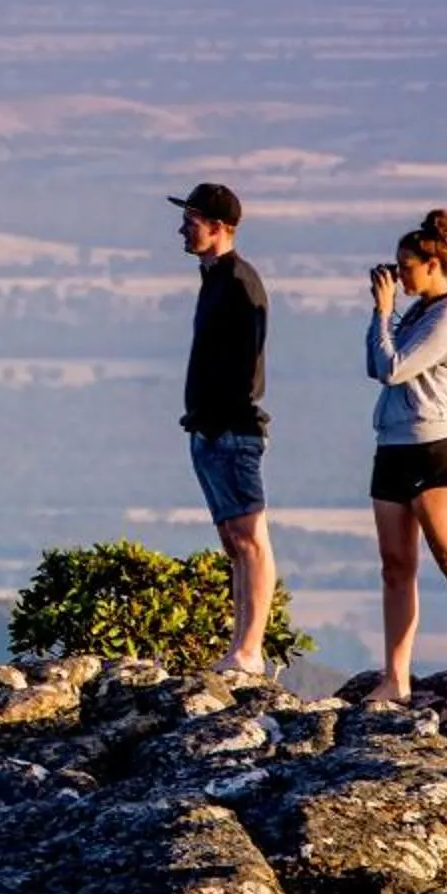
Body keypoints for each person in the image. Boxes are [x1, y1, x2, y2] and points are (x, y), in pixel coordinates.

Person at [365, 208, 447, 709]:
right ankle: (396, 678)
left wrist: (382, 311)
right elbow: (374, 365)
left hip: (432, 448)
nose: (400, 275)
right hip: (392, 446)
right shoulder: (416, 312)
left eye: (406, 266)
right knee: (395, 566)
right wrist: (385, 312)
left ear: (433, 265)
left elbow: (393, 368)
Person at [170, 181, 275, 678]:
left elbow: (248, 362)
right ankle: (240, 647)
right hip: (210, 428)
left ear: (219, 227)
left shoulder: (238, 282)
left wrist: (223, 415)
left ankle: (250, 650)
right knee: (233, 542)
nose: (182, 231)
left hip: (231, 428)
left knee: (250, 538)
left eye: (191, 223)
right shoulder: (213, 278)